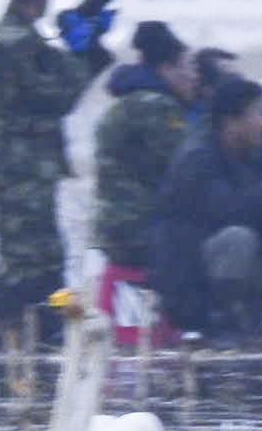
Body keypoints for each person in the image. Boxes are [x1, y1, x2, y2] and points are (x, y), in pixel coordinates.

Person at [0, 0, 113, 346]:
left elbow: (53, 74)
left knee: (42, 254)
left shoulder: (22, 35)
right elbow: (58, 97)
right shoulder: (15, 41)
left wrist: (87, 46)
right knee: (24, 260)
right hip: (18, 166)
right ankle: (18, 341)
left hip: (26, 164)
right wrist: (85, 54)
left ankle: (35, 338)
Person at [147, 76, 262, 339]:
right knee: (238, 239)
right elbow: (230, 213)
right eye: (259, 113)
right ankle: (223, 323)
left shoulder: (251, 156)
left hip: (236, 270)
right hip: (191, 282)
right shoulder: (198, 159)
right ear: (232, 122)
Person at [86, 20, 202, 313]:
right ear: (165, 69)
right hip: (141, 231)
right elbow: (192, 164)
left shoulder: (127, 103)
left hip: (114, 230)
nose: (194, 78)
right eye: (187, 68)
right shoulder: (158, 108)